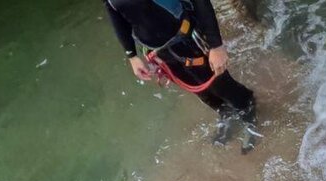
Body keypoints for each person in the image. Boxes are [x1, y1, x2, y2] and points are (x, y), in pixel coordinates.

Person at [105, 0, 262, 153]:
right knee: (200, 91)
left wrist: (216, 45)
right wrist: (131, 55)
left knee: (219, 84)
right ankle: (225, 111)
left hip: (187, 36)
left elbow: (201, 3)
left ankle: (247, 109)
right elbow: (116, 14)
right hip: (160, 50)